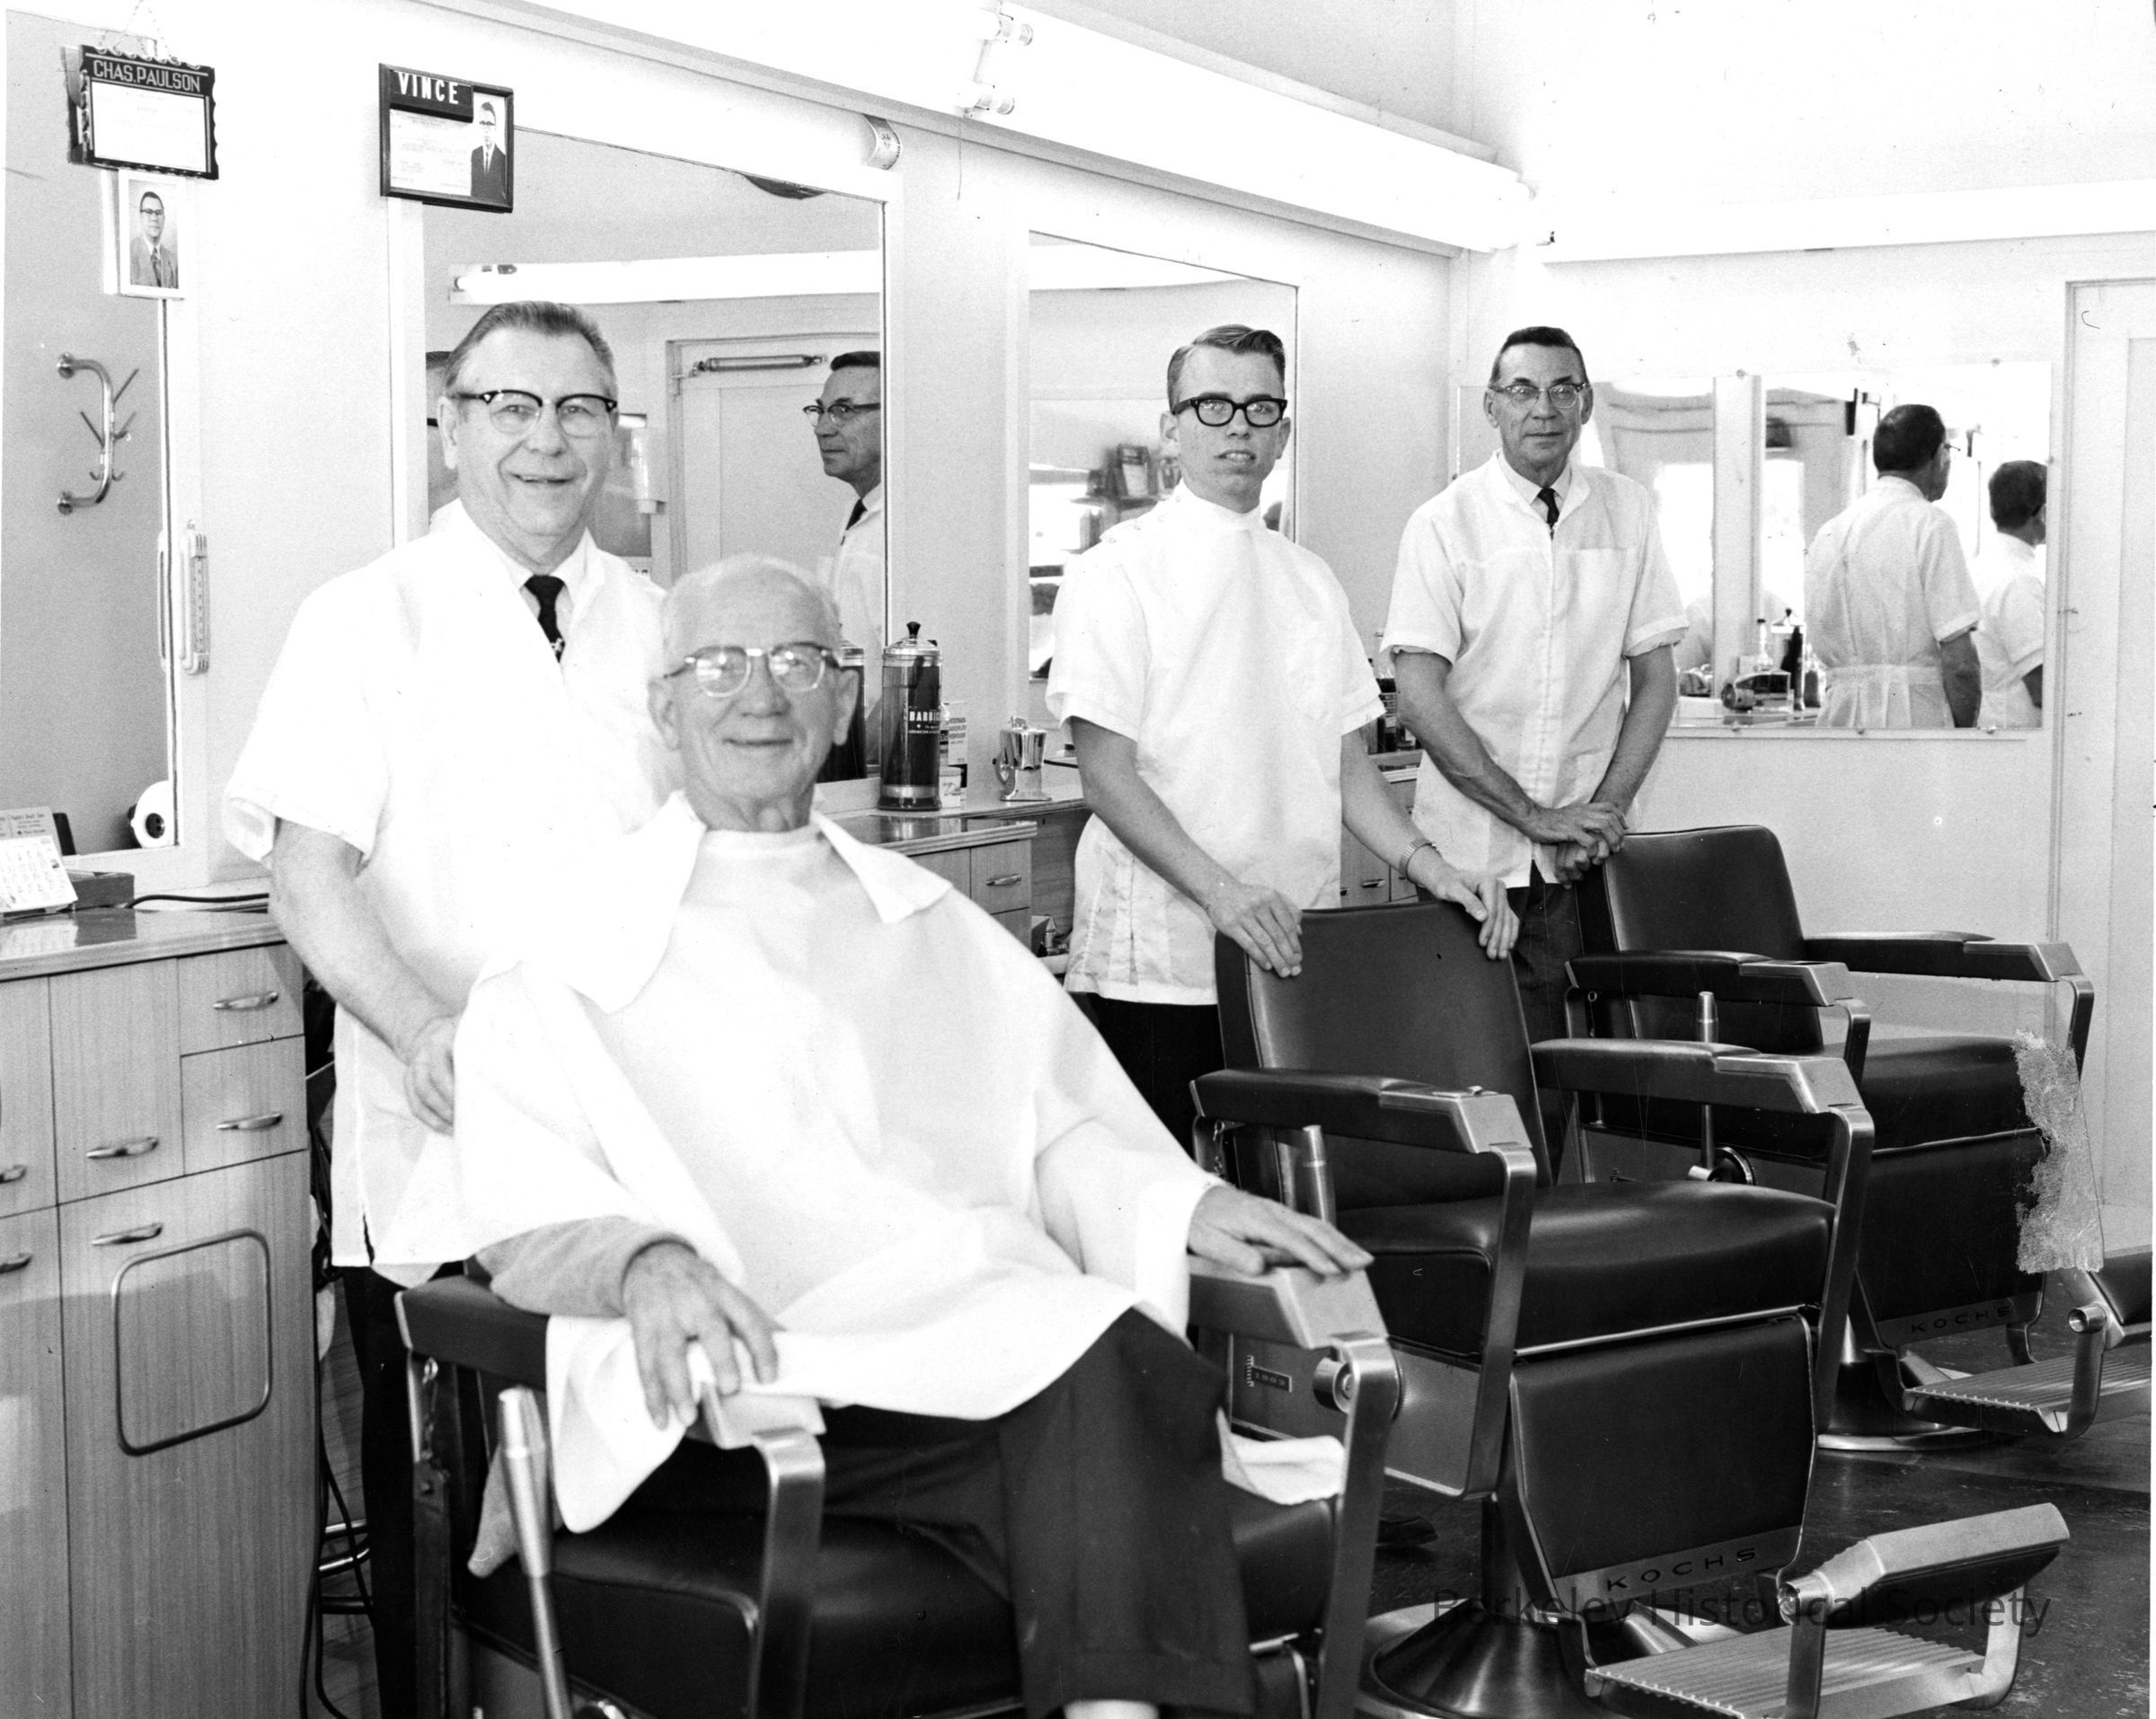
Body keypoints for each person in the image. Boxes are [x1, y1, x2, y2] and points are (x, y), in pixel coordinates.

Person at [378, 556, 1373, 1719]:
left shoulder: (923, 918)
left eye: (798, 662)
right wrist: (641, 1261)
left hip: (944, 1357)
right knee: (1115, 1403)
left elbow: (1052, 1127)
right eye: (719, 665)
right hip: (745, 1383)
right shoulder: (571, 945)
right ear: (664, 706)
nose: (762, 695)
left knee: (1110, 1387)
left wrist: (1187, 1202)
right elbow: (522, 1209)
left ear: (846, 698)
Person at [224, 300, 678, 1719]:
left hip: (635, 1138)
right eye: (509, 406)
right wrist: (426, 1029)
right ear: (450, 425)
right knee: (452, 1518)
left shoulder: (660, 625)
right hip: (446, 1143)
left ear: (615, 432)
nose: (547, 440)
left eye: (579, 407)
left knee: (643, 1500)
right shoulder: (366, 617)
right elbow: (308, 875)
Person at [1047, 324, 1515, 1149]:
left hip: (1293, 952)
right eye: (1212, 405)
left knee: (1289, 1188)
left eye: (1259, 408)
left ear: (1283, 431)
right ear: (1171, 428)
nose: (1238, 426)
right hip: (1163, 965)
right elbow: (1107, 777)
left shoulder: (1310, 581)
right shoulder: (1116, 571)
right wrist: (1222, 895)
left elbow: (1346, 768)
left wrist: (1432, 867)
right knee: (1173, 1196)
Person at [1381, 325, 1683, 1137]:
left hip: (1580, 862)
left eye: (1562, 389)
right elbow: (1420, 698)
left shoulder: (1626, 509)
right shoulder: (1444, 523)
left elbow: (1655, 681)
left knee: (1577, 1081)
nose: (1543, 408)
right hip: (1468, 855)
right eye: (1522, 390)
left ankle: (1562, 1214)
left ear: (1586, 404)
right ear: (1491, 406)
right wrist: (1535, 818)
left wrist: (1601, 815)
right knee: (1473, 1080)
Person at [1802, 402, 1982, 729]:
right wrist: (1965, 738)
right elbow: (1960, 665)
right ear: (1939, 456)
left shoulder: (1830, 531)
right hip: (1916, 719)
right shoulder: (1930, 524)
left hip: (1837, 720)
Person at [806, 350, 886, 657]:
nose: (822, 429)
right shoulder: (860, 509)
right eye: (821, 411)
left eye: (843, 410)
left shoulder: (907, 526)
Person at [1974, 459, 2046, 729]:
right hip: (2017, 728)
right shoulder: (2020, 580)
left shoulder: (1980, 565)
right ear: (2043, 513)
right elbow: (2042, 687)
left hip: (1989, 725)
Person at [128, 189, 176, 288]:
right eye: (148, 212)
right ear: (140, 217)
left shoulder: (173, 260)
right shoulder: (128, 254)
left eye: (158, 213)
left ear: (164, 218)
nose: (154, 218)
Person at [469, 101, 509, 203]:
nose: (486, 129)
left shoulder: (503, 159)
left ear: (495, 127)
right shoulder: (475, 154)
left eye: (489, 124)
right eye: (482, 123)